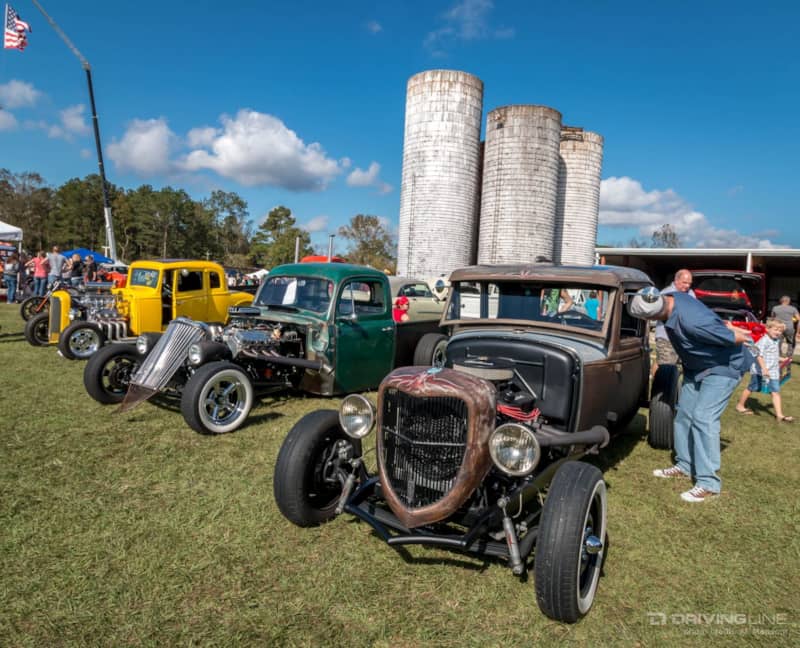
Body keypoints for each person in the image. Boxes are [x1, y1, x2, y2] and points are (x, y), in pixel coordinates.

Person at [628, 288, 753, 503]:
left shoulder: (691, 322)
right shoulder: (675, 297)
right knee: (684, 414)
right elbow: (715, 322)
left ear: (654, 314)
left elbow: (736, 338)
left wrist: (733, 332)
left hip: (723, 367)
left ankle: (708, 483)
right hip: (696, 368)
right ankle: (685, 465)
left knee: (704, 418)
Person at [735, 319, 793, 423]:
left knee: (775, 391)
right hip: (759, 370)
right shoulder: (764, 340)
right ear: (767, 329)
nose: (778, 332)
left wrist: (782, 359)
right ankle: (740, 405)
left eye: (780, 331)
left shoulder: (776, 341)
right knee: (752, 388)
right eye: (776, 330)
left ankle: (779, 415)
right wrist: (764, 369)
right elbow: (758, 355)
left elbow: (772, 355)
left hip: (773, 372)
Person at [652, 269, 695, 376]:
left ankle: (668, 386)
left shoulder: (691, 293)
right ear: (676, 280)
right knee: (666, 365)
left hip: (683, 338)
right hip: (667, 338)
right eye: (684, 283)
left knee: (673, 366)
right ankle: (659, 387)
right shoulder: (666, 294)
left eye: (689, 283)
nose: (687, 286)